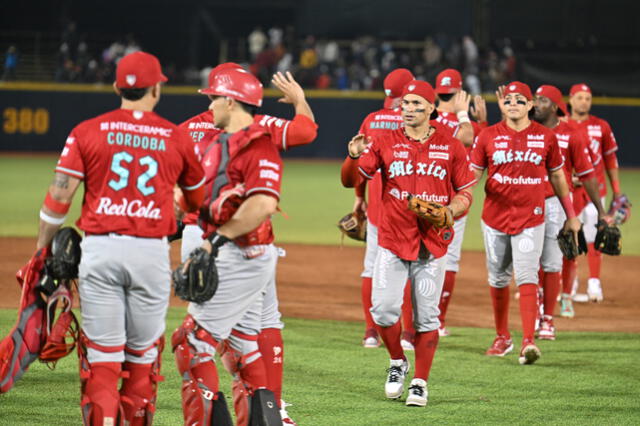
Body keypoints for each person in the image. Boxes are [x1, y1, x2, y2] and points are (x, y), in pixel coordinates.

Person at [35, 51, 205, 425]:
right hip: (150, 255)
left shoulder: (87, 130)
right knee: (143, 357)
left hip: (101, 250)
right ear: (158, 88)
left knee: (103, 357)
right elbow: (196, 200)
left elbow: (58, 198)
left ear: (117, 88)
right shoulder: (176, 136)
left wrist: (41, 250)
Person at [178, 63, 316, 425]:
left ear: (228, 99)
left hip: (227, 242)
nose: (208, 105)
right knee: (245, 335)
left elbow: (261, 202)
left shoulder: (236, 137)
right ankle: (271, 415)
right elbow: (305, 131)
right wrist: (300, 100)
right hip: (227, 239)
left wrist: (212, 239)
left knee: (195, 341)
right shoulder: (261, 129)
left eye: (212, 97)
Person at [342, 80, 477, 406]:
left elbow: (466, 193)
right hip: (392, 239)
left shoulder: (451, 145)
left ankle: (420, 381)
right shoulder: (384, 142)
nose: (410, 110)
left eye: (418, 104)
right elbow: (350, 180)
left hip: (432, 244)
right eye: (406, 104)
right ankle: (397, 362)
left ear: (432, 108)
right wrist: (352, 155)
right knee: (385, 312)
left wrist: (449, 211)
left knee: (426, 318)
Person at [470, 81, 581, 365]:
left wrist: (571, 214)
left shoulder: (546, 137)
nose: (514, 104)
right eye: (509, 100)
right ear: (502, 105)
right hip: (494, 218)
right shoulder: (487, 137)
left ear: (530, 105)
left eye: (521, 99)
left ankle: (528, 341)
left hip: (532, 217)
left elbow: (558, 177)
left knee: (528, 275)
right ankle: (502, 336)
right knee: (497, 278)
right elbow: (472, 177)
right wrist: (456, 206)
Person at [341, 68, 414, 349]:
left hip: (375, 208)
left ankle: (370, 332)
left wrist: (359, 196)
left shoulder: (372, 119)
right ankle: (408, 334)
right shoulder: (413, 121)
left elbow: (358, 161)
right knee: (408, 267)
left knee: (370, 269)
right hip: (405, 208)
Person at [532, 84, 606, 333]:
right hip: (528, 203)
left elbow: (588, 174)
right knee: (533, 261)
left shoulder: (571, 134)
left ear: (554, 106)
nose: (535, 104)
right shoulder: (526, 132)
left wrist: (601, 210)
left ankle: (554, 309)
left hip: (559, 203)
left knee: (561, 256)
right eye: (534, 99)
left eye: (541, 100)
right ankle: (538, 307)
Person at [432, 68, 488, 337]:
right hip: (455, 201)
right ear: (459, 94)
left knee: (413, 257)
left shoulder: (426, 119)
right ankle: (438, 320)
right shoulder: (468, 126)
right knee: (449, 260)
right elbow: (484, 147)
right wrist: (480, 121)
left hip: (424, 197)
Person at [567, 83, 621, 302]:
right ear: (571, 99)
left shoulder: (601, 126)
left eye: (587, 98)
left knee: (596, 235)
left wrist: (616, 191)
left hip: (595, 190)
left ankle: (594, 283)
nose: (584, 102)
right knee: (569, 238)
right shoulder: (561, 126)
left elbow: (610, 158)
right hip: (568, 191)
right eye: (579, 97)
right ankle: (570, 282)